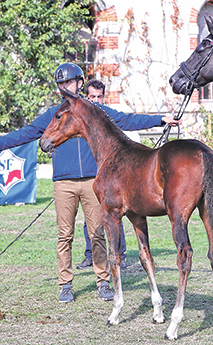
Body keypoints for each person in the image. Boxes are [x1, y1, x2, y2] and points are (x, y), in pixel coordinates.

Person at [0, 62, 180, 303]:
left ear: (79, 83)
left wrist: (160, 119)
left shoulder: (96, 111)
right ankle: (65, 284)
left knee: (98, 233)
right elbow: (26, 133)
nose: (66, 86)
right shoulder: (55, 115)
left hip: (93, 182)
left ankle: (103, 281)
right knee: (65, 236)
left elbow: (126, 120)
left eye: (69, 82)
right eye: (62, 83)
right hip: (64, 182)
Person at [75, 79, 127, 270]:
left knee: (114, 214)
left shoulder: (106, 115)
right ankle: (90, 256)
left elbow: (130, 120)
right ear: (86, 97)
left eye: (100, 97)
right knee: (90, 220)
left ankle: (120, 253)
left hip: (108, 175)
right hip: (88, 176)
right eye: (92, 97)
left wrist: (161, 120)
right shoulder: (80, 116)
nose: (96, 101)